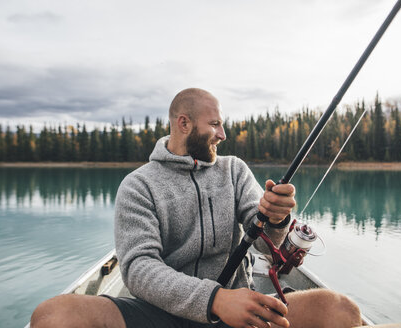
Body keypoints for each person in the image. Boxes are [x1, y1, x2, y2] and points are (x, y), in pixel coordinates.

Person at [31, 88, 362, 328]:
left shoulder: (234, 170)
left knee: (338, 310)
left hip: (240, 311)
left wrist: (277, 218)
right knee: (54, 316)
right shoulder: (139, 185)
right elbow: (138, 268)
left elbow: (262, 240)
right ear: (184, 124)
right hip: (160, 316)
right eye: (215, 124)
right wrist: (214, 299)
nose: (223, 133)